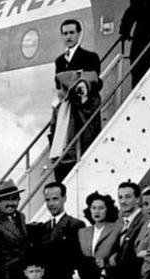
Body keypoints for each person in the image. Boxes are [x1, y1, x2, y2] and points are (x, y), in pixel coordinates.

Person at [52, 18, 102, 168]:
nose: (68, 37)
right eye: (65, 33)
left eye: (72, 33)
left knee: (87, 140)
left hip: (84, 109)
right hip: (67, 109)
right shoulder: (59, 61)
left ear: (79, 34)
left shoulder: (90, 57)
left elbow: (94, 82)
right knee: (64, 141)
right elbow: (58, 86)